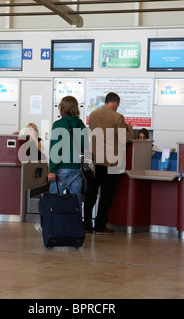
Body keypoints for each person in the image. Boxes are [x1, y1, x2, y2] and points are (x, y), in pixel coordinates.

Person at [34, 96, 86, 233]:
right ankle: (75, 228)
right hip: (76, 170)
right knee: (76, 201)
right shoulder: (81, 125)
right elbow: (84, 146)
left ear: (62, 108)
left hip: (61, 170)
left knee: (53, 201)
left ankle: (50, 227)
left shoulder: (58, 124)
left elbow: (55, 149)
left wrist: (52, 169)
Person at [84, 92, 132, 234]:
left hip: (93, 160)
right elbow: (124, 138)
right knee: (106, 195)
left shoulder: (92, 115)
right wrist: (129, 129)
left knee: (91, 193)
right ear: (116, 103)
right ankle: (99, 226)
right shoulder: (117, 117)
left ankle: (86, 225)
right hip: (110, 162)